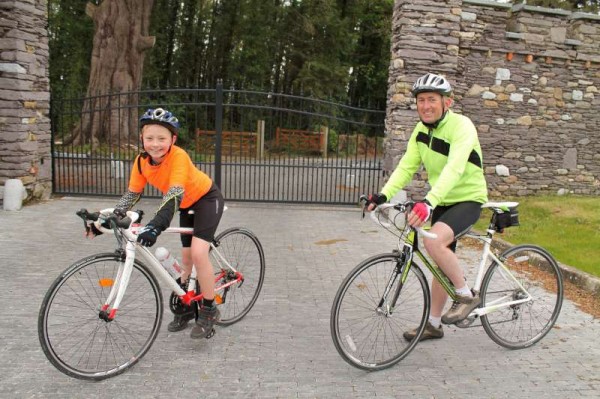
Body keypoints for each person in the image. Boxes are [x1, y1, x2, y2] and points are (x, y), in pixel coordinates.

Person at [366, 73, 488, 341]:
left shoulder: (462, 126)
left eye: (432, 99)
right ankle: (433, 324)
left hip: (467, 198)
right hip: (443, 201)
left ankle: (466, 295)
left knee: (434, 244)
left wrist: (429, 203)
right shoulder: (420, 131)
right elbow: (406, 167)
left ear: (448, 103)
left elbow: (455, 168)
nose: (426, 106)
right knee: (439, 259)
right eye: (421, 100)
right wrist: (383, 195)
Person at [92, 107, 224, 339]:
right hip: (186, 205)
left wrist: (155, 225)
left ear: (173, 139)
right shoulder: (141, 162)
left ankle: (210, 308)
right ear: (141, 138)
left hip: (206, 199)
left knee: (198, 253)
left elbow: (173, 195)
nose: (155, 144)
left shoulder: (179, 157)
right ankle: (186, 307)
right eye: (150, 138)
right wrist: (105, 219)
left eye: (162, 139)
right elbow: (132, 195)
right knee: (185, 259)